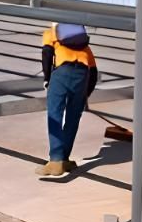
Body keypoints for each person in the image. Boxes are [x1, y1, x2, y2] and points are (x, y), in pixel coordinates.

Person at [38, 22, 98, 179]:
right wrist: (86, 95)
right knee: (73, 117)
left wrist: (46, 78)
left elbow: (47, 53)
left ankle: (56, 161)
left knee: (54, 114)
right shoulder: (84, 46)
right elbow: (93, 72)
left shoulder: (50, 32)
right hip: (83, 74)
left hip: (62, 71)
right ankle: (64, 158)